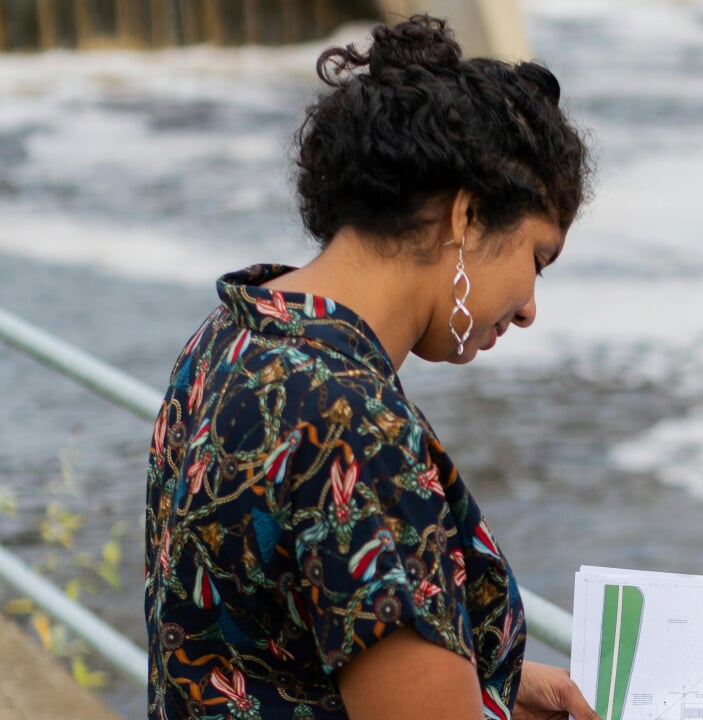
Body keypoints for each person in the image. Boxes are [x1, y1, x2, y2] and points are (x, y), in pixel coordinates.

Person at [144, 16, 598, 720]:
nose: (530, 307)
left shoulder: (231, 336)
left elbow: (266, 642)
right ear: (468, 216)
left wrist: (486, 685)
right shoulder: (355, 429)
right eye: (536, 260)